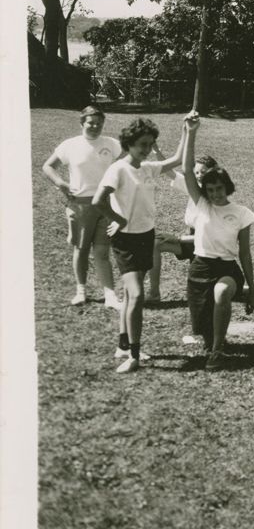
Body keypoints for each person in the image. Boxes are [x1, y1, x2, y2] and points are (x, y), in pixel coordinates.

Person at [92, 117, 186, 372]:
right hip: (126, 240)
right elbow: (99, 201)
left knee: (132, 295)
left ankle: (123, 345)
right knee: (136, 294)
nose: (146, 149)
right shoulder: (118, 169)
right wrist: (119, 219)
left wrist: (187, 130)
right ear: (130, 143)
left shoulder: (146, 167)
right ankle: (134, 355)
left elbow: (178, 159)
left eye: (150, 144)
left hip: (146, 235)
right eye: (142, 144)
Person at [180, 115, 254, 370]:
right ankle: (212, 340)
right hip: (200, 267)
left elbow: (244, 254)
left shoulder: (242, 213)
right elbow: (187, 170)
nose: (215, 194)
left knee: (222, 292)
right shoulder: (202, 204)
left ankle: (218, 350)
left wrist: (252, 287)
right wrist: (191, 132)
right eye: (210, 189)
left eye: (219, 189)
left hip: (227, 269)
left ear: (228, 187)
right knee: (202, 328)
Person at [41, 106, 123, 308]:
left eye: (99, 123)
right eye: (90, 123)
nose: (95, 127)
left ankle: (110, 296)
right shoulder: (70, 145)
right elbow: (48, 166)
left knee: (102, 252)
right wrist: (60, 183)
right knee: (81, 249)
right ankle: (81, 291)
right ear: (82, 123)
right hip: (80, 205)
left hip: (105, 205)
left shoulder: (112, 144)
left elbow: (124, 166)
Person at [147, 154, 218, 303]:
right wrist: (157, 153)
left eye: (203, 172)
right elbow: (171, 174)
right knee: (154, 244)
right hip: (191, 238)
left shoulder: (214, 198)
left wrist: (177, 238)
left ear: (214, 172)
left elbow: (207, 236)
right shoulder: (195, 188)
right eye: (196, 172)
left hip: (206, 247)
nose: (199, 176)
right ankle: (154, 293)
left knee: (211, 290)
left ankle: (243, 287)